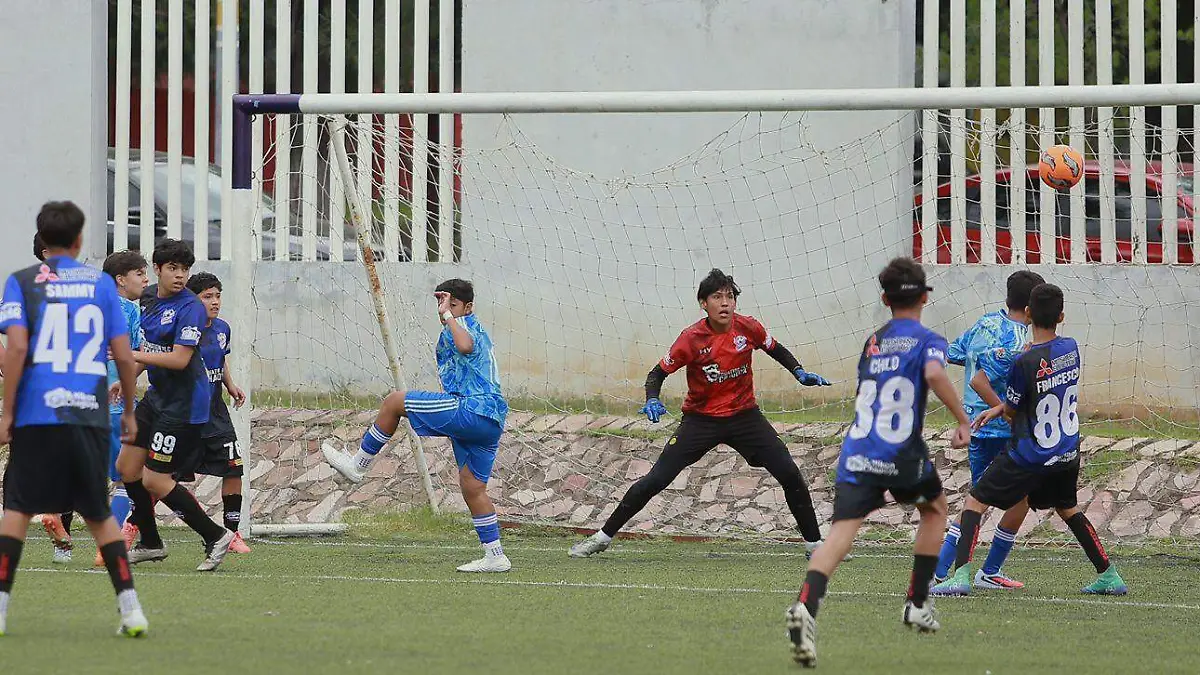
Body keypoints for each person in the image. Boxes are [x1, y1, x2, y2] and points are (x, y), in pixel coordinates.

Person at [786, 257, 971, 668]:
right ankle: (917, 601)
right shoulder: (928, 340)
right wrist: (962, 419)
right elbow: (934, 373)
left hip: (857, 450)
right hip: (901, 451)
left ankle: (806, 605)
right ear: (925, 297)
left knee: (840, 534)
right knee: (936, 510)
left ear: (885, 299)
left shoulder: (872, 341)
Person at [570, 268, 832, 559]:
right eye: (717, 297)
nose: (725, 303)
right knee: (656, 479)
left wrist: (799, 372)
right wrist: (652, 399)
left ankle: (814, 546)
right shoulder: (691, 338)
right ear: (703, 303)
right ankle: (601, 538)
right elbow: (657, 373)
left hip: (745, 417)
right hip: (700, 420)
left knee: (789, 473)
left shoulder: (748, 327)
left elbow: (775, 348)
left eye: (730, 297)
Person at [0, 200, 148, 636]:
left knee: (16, 510)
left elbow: (17, 350)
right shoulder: (101, 286)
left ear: (41, 241)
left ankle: (2, 607)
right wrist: (131, 411)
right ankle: (131, 609)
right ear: (80, 239)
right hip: (89, 414)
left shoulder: (21, 283)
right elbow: (123, 353)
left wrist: (8, 411)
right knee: (100, 513)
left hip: (37, 413)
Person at [932, 283, 1128, 597]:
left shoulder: (1024, 362)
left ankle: (961, 576)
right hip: (1066, 451)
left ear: (1027, 314)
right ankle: (1109, 575)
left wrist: (998, 408)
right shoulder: (1071, 348)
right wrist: (1003, 406)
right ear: (1061, 316)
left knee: (974, 501)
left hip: (1030, 454)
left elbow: (1013, 410)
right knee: (1068, 509)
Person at [322, 279, 511, 573]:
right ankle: (495, 555)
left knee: (394, 402)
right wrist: (449, 315)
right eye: (442, 302)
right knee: (472, 486)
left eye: (452, 303)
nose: (445, 309)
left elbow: (465, 345)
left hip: (472, 407)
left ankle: (358, 465)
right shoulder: (457, 327)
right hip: (491, 419)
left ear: (468, 307)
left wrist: (449, 316)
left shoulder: (467, 326)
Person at [114, 238, 235, 571]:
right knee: (126, 468)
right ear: (158, 270)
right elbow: (149, 345)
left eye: (185, 269)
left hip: (185, 405)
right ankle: (151, 542)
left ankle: (215, 536)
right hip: (157, 398)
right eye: (173, 269)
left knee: (155, 479)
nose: (180, 276)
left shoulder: (191, 308)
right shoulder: (150, 296)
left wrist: (131, 356)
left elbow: (180, 360)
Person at [932, 270, 1044, 591]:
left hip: (978, 427)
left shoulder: (984, 323)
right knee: (980, 502)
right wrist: (1005, 411)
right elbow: (978, 378)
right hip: (997, 430)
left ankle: (982, 571)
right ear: (1030, 307)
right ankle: (946, 570)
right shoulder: (1018, 339)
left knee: (1016, 499)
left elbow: (955, 353)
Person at [179, 272, 250, 553]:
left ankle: (231, 535)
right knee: (162, 479)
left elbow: (220, 359)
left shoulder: (222, 328)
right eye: (207, 296)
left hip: (216, 414)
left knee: (234, 469)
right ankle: (135, 528)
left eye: (217, 295)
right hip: (184, 416)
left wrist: (230, 385)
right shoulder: (184, 329)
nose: (215, 301)